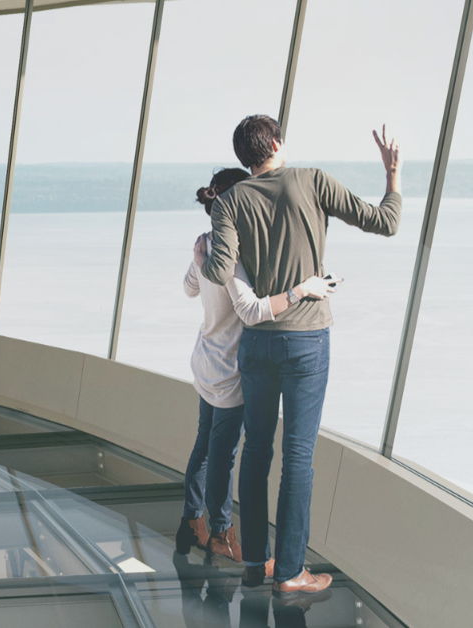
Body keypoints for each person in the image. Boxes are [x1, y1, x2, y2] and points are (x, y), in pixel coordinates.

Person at [201, 116, 401, 595]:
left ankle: (254, 562)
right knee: (298, 457)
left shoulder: (229, 202)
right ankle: (291, 572)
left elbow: (218, 270)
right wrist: (392, 175)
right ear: (276, 143)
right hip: (307, 338)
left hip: (257, 344)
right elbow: (385, 222)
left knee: (256, 451)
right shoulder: (312, 180)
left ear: (245, 157)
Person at [179, 168, 336, 566]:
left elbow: (189, 287)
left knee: (204, 445)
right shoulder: (235, 254)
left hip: (206, 359)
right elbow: (250, 310)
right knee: (223, 454)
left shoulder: (207, 245)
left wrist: (199, 263)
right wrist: (302, 290)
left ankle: (191, 520)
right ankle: (219, 532)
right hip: (231, 369)